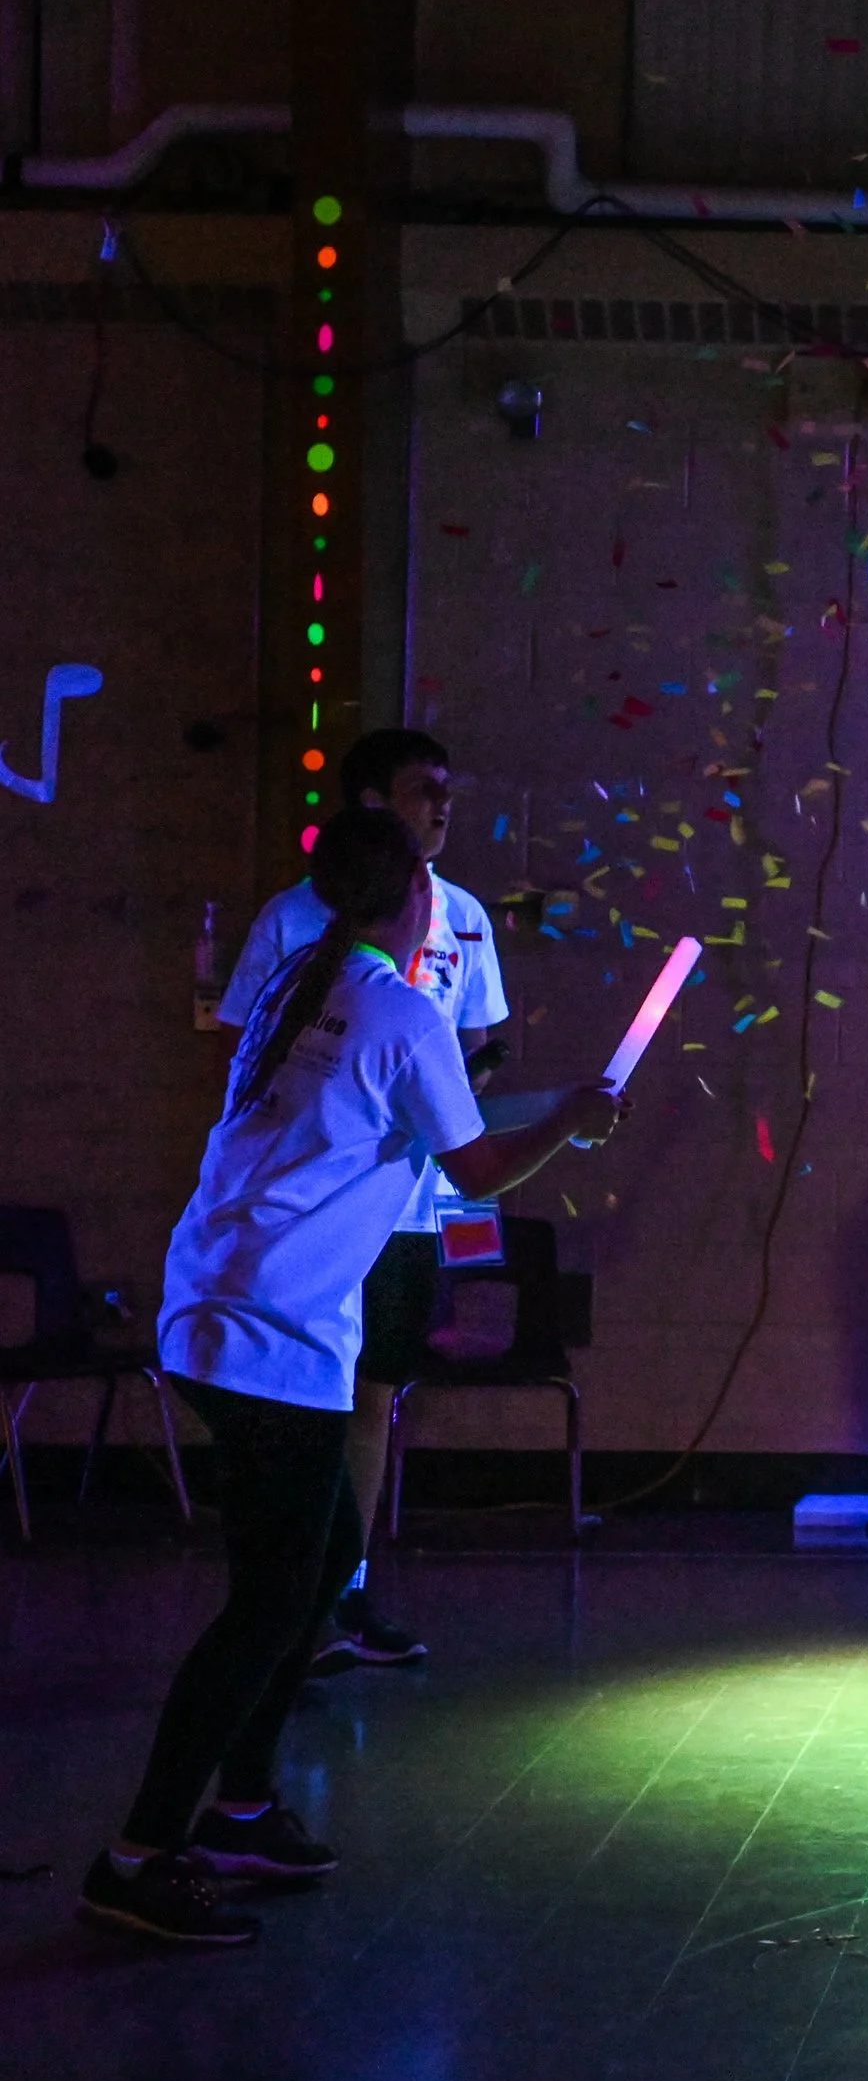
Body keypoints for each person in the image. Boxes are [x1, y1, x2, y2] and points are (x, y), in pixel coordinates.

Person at [83, 809, 621, 1949]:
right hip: (273, 1328)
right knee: (273, 1598)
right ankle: (137, 1852)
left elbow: (399, 1126)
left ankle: (237, 1808)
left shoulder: (300, 986)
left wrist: (539, 1114)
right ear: (415, 898)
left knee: (318, 1559)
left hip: (221, 1301)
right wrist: (573, 1122)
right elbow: (473, 1168)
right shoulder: (405, 1009)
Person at [220, 726, 509, 1670]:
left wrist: (447, 1098)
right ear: (372, 807)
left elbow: (475, 1057)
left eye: (448, 787)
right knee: (296, 1398)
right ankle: (280, 1602)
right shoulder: (293, 923)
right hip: (308, 1215)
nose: (444, 804)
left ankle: (340, 1597)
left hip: (412, 1209)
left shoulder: (462, 914)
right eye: (425, 787)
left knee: (373, 1397)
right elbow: (249, 1063)